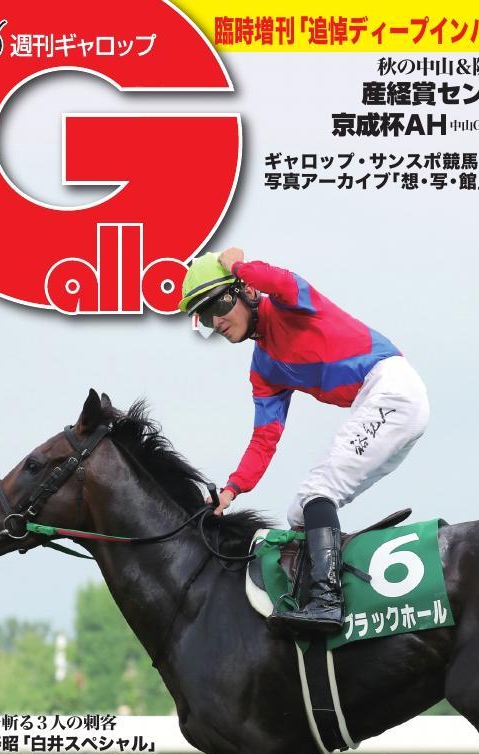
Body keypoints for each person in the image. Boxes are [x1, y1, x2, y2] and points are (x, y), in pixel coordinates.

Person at [178, 249, 429, 634]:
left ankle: (328, 603)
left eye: (218, 307)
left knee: (318, 492)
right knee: (301, 512)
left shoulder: (290, 304)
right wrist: (231, 490)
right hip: (383, 402)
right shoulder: (263, 369)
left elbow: (279, 280)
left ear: (245, 291)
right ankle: (330, 594)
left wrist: (238, 266)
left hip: (391, 389)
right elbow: (264, 439)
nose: (217, 323)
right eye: (206, 318)